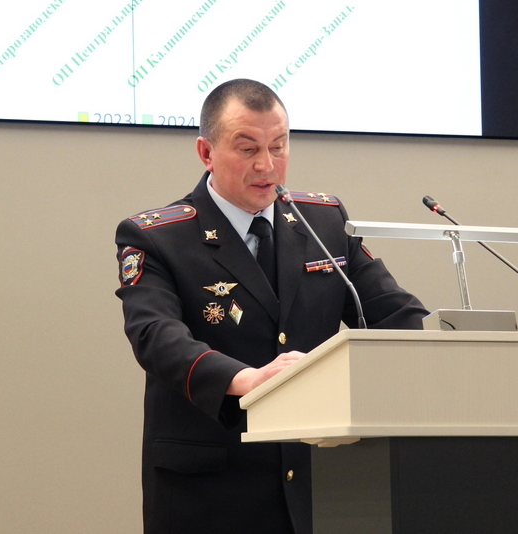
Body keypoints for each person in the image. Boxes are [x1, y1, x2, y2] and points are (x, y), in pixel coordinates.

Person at [114, 78, 428, 534]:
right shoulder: (158, 236)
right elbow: (156, 336)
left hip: (322, 486)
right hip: (212, 490)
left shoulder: (322, 221)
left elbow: (396, 315)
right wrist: (248, 380)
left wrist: (446, 350)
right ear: (206, 152)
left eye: (279, 146)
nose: (267, 165)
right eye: (248, 149)